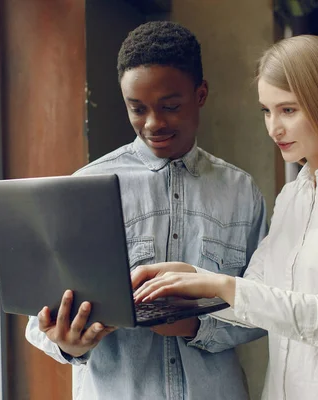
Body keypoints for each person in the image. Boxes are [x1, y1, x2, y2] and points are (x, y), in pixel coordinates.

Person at [132, 35, 318, 399]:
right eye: (266, 111)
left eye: (288, 110)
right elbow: (254, 298)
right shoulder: (293, 196)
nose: (274, 128)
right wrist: (189, 277)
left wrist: (218, 285)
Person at [25, 21, 268, 400]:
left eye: (170, 107)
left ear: (200, 94)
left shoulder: (241, 192)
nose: (153, 124)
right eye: (137, 109)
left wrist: (194, 327)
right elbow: (37, 320)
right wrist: (68, 344)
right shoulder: (84, 187)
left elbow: (264, 309)